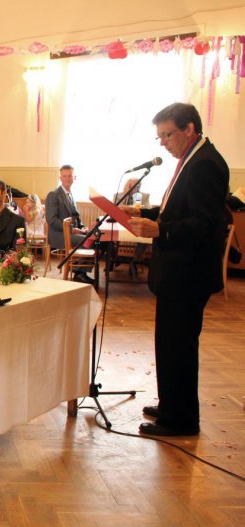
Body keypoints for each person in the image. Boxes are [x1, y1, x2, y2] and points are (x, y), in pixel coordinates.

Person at [122, 103, 229, 437]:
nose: (164, 143)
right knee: (170, 344)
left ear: (189, 129)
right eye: (160, 137)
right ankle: (171, 404)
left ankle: (180, 420)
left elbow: (205, 225)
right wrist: (145, 212)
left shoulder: (204, 164)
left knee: (179, 347)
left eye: (167, 135)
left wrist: (160, 230)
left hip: (187, 274)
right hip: (179, 274)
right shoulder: (193, 158)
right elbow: (178, 208)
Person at [45, 164, 93, 283]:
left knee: (95, 239)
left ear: (74, 178)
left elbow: (76, 217)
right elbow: (52, 220)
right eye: (65, 176)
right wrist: (72, 230)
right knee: (89, 240)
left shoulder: (70, 194)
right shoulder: (53, 195)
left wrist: (83, 227)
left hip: (72, 232)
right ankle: (79, 273)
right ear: (60, 178)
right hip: (59, 235)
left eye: (70, 176)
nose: (67, 178)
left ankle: (79, 270)